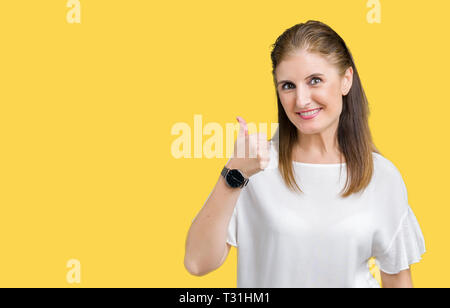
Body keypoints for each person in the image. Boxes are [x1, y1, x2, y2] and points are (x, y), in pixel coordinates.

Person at [184, 20, 426, 288]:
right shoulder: (254, 167)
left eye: (315, 81)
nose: (301, 100)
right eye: (288, 85)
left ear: (346, 80)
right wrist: (234, 174)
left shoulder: (382, 177)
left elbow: (398, 280)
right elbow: (197, 262)